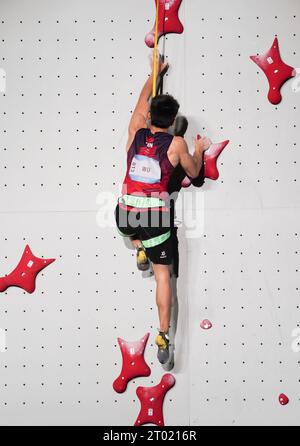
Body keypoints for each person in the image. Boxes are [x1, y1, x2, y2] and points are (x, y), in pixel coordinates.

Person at [115, 55, 211, 364]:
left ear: (149, 116)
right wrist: (200, 149)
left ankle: (138, 245)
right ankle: (163, 334)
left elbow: (142, 101)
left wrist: (154, 73)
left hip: (123, 214)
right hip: (156, 217)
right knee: (163, 277)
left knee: (134, 229)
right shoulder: (176, 144)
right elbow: (195, 173)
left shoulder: (134, 130)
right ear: (172, 121)